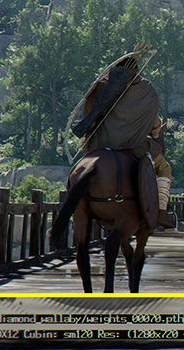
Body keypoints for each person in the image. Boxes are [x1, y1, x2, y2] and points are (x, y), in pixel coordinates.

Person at [73, 48, 176, 230]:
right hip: (133, 145)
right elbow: (154, 123)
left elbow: (88, 111)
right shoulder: (145, 90)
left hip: (101, 144)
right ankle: (161, 212)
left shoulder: (101, 86)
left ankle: (73, 210)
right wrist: (154, 132)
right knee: (164, 168)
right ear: (135, 70)